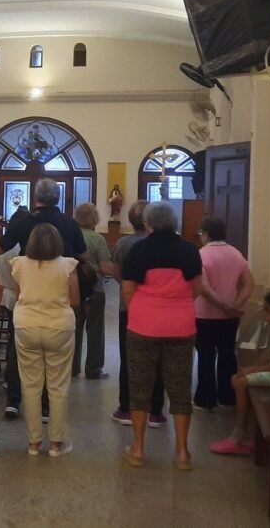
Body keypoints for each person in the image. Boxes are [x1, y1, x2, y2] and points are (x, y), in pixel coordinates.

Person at [121, 202, 203, 471]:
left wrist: (145, 311)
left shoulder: (139, 250)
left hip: (144, 325)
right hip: (181, 326)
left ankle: (138, 449)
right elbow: (197, 288)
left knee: (140, 387)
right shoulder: (190, 251)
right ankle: (182, 453)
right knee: (180, 389)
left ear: (148, 224)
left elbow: (128, 290)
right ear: (174, 223)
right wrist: (177, 306)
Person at [10, 224, 80, 457]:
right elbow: (76, 300)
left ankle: (33, 443)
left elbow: (17, 292)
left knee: (30, 386)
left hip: (26, 325)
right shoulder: (68, 265)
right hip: (58, 327)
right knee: (58, 386)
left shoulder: (19, 264)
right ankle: (56, 444)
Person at [210, 291, 270, 456]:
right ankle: (241, 431)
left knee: (239, 382)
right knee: (238, 377)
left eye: (269, 311)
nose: (265, 315)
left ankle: (240, 433)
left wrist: (252, 371)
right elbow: (269, 352)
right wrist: (249, 368)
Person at [194, 216, 254, 411]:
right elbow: (248, 283)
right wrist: (235, 304)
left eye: (201, 233)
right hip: (230, 317)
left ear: (207, 234)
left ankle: (205, 398)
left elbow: (203, 287)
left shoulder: (202, 254)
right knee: (227, 354)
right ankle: (228, 396)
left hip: (204, 315)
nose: (200, 237)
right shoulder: (236, 254)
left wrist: (221, 304)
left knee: (206, 355)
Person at [110, 201, 156, 426]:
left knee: (128, 357)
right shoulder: (157, 243)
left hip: (128, 306)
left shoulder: (123, 243)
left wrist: (125, 285)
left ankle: (126, 407)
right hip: (155, 307)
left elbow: (116, 270)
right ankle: (155, 410)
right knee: (157, 358)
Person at [71, 203, 114, 379]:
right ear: (94, 218)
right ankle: (93, 368)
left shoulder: (69, 236)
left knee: (74, 328)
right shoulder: (98, 239)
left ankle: (72, 367)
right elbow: (105, 268)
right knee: (95, 329)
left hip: (73, 288)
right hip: (94, 289)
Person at [0, 207, 29, 420]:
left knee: (11, 339)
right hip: (21, 297)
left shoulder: (1, 249)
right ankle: (17, 380)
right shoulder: (20, 248)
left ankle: (11, 378)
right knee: (19, 343)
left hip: (7, 296)